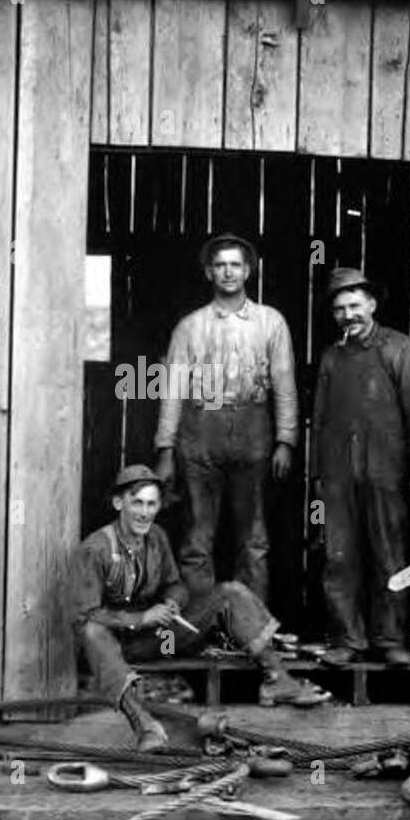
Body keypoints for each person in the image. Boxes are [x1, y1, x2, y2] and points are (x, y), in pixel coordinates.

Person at [68, 464, 330, 752]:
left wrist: (172, 602)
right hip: (115, 647)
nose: (145, 512)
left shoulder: (156, 537)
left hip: (155, 639)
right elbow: (86, 614)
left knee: (229, 593)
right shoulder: (95, 549)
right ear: (119, 503)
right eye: (137, 503)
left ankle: (277, 679)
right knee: (92, 632)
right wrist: (142, 617)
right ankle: (145, 726)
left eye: (151, 503)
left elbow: (174, 584)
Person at [153, 232, 298, 603]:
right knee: (198, 537)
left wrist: (285, 440)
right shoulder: (189, 326)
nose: (228, 272)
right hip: (200, 432)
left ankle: (252, 630)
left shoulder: (271, 322)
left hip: (254, 433)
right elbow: (172, 390)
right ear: (208, 272)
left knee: (254, 538)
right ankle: (200, 627)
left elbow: (284, 384)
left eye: (235, 264)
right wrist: (165, 449)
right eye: (220, 265)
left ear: (248, 270)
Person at [311, 268, 410, 667]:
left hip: (388, 473)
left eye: (355, 305)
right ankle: (347, 639)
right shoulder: (332, 357)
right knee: (339, 558)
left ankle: (390, 639)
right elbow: (320, 418)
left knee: (390, 555)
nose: (349, 314)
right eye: (340, 308)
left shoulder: (400, 349)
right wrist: (317, 475)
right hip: (338, 477)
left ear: (372, 306)